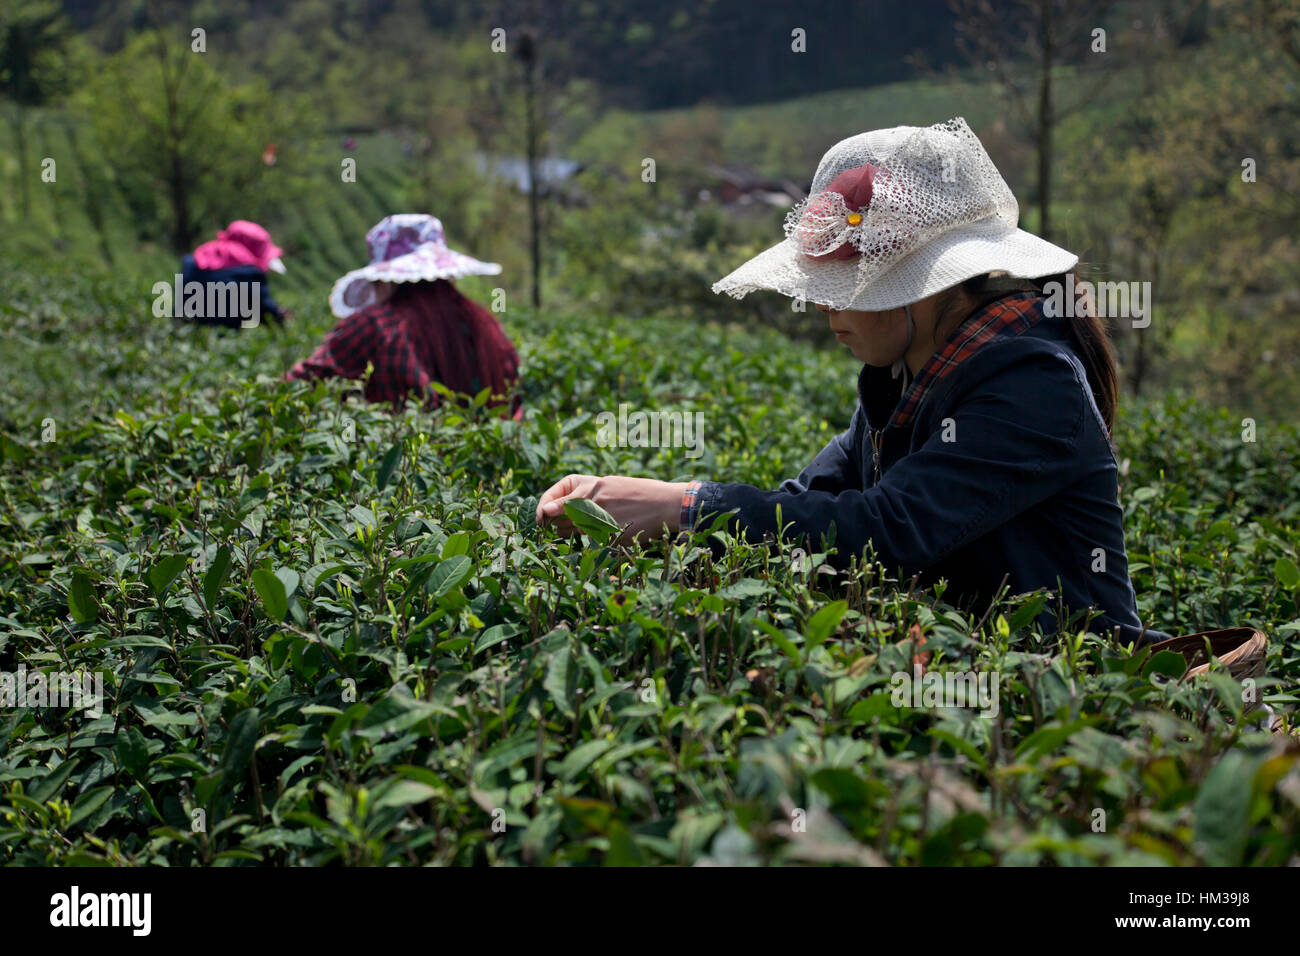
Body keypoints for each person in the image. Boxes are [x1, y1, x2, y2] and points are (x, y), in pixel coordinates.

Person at [536, 117, 1171, 647]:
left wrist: (683, 505)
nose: (823, 308)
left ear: (932, 285)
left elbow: (889, 531)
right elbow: (809, 505)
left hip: (1077, 687)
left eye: (848, 288)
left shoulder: (1033, 382)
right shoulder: (901, 378)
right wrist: (632, 518)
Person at [285, 214, 521, 417]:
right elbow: (513, 404)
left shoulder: (376, 325)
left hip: (406, 466)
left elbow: (298, 386)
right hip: (486, 463)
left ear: (385, 281)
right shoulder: (484, 323)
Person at [180, 220, 289, 328]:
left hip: (186, 326)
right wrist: (281, 314)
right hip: (222, 335)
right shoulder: (251, 273)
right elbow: (266, 311)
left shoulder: (193, 261)